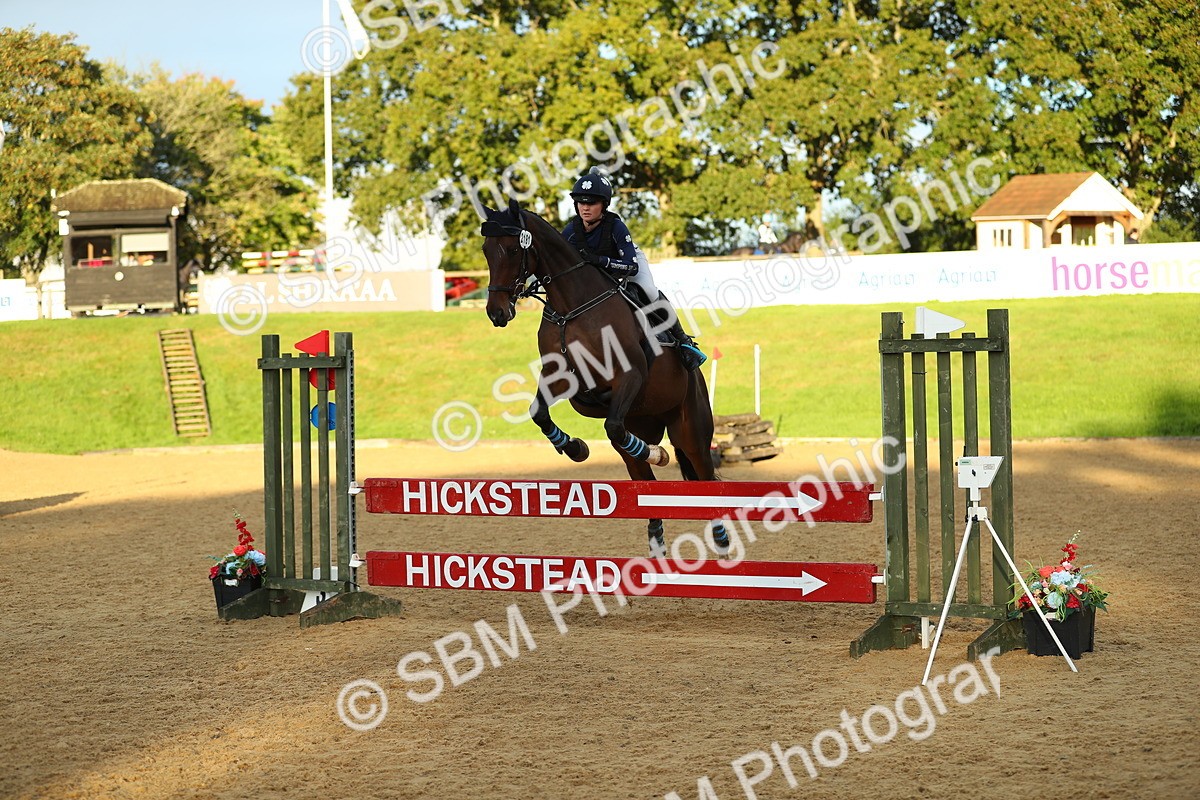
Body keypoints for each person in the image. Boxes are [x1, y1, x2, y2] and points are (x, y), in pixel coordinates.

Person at [560, 170, 707, 370]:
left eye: (592, 203)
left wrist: (600, 260)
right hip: (597, 278)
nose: (585, 208)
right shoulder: (569, 233)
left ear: (604, 205)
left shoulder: (616, 227)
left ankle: (683, 342)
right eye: (581, 202)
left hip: (628, 262)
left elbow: (631, 265)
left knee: (648, 289)